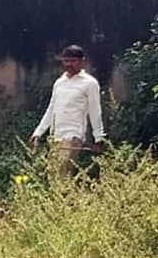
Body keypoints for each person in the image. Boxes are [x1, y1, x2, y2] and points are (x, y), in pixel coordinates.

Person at [29, 45, 106, 176]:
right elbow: (51, 109)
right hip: (56, 136)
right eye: (66, 61)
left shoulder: (89, 83)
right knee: (54, 175)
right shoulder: (59, 83)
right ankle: (66, 196)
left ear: (82, 61)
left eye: (73, 61)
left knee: (62, 173)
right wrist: (38, 133)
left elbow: (95, 111)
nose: (69, 64)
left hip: (73, 136)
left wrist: (99, 137)